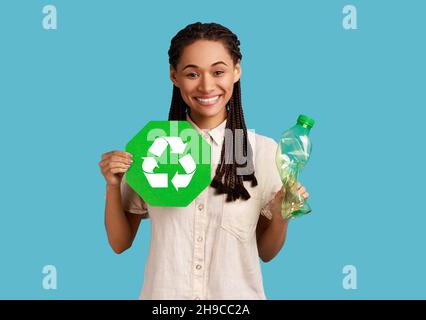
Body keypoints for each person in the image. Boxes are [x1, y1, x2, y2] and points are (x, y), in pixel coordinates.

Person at [99, 22, 310, 300]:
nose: (206, 85)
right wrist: (113, 186)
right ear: (174, 76)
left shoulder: (257, 151)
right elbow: (120, 243)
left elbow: (265, 252)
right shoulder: (154, 148)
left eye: (218, 71)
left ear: (236, 71)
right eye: (192, 73)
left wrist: (281, 218)